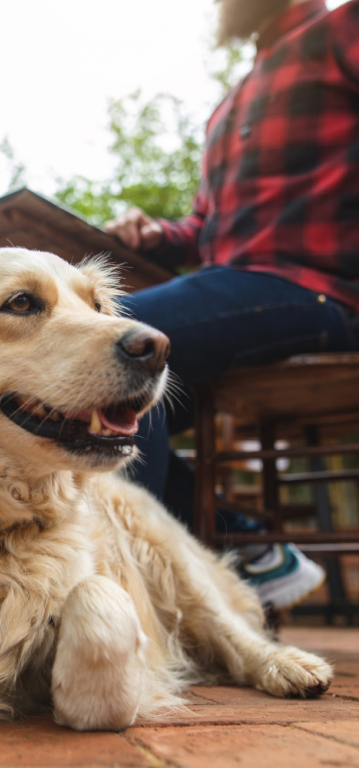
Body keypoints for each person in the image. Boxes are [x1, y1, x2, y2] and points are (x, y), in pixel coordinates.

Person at [106, 0, 359, 612]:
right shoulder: (233, 101)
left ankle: (134, 597)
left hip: (315, 290)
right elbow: (204, 226)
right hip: (238, 289)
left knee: (114, 340)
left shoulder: (342, 31)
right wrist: (155, 234)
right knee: (101, 397)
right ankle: (246, 550)